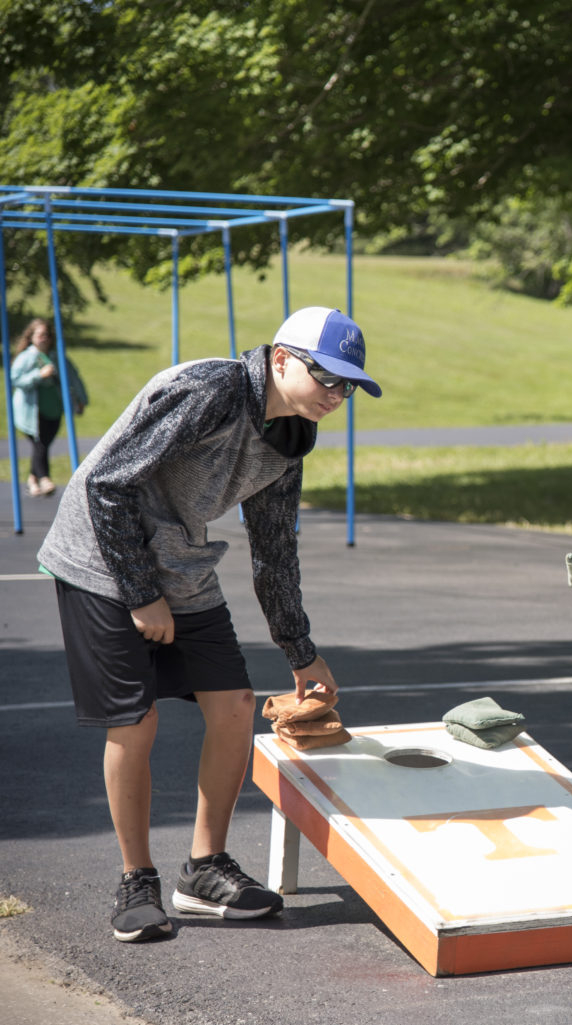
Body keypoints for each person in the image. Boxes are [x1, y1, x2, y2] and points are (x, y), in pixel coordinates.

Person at [37, 306, 382, 943]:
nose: (337, 395)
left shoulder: (292, 436)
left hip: (182, 565)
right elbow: (107, 484)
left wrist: (301, 652)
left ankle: (202, 870)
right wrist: (141, 596)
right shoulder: (211, 391)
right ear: (281, 358)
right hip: (99, 558)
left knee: (235, 706)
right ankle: (135, 880)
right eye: (326, 378)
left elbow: (274, 550)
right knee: (136, 720)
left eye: (348, 386)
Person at [9, 317, 88, 497]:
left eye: (46, 335)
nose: (43, 338)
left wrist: (80, 399)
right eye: (40, 335)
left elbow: (73, 378)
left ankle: (32, 479)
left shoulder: (57, 357)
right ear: (31, 337)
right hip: (31, 410)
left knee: (44, 443)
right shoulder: (25, 357)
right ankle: (44, 478)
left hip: (53, 407)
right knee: (40, 443)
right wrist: (39, 375)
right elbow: (16, 380)